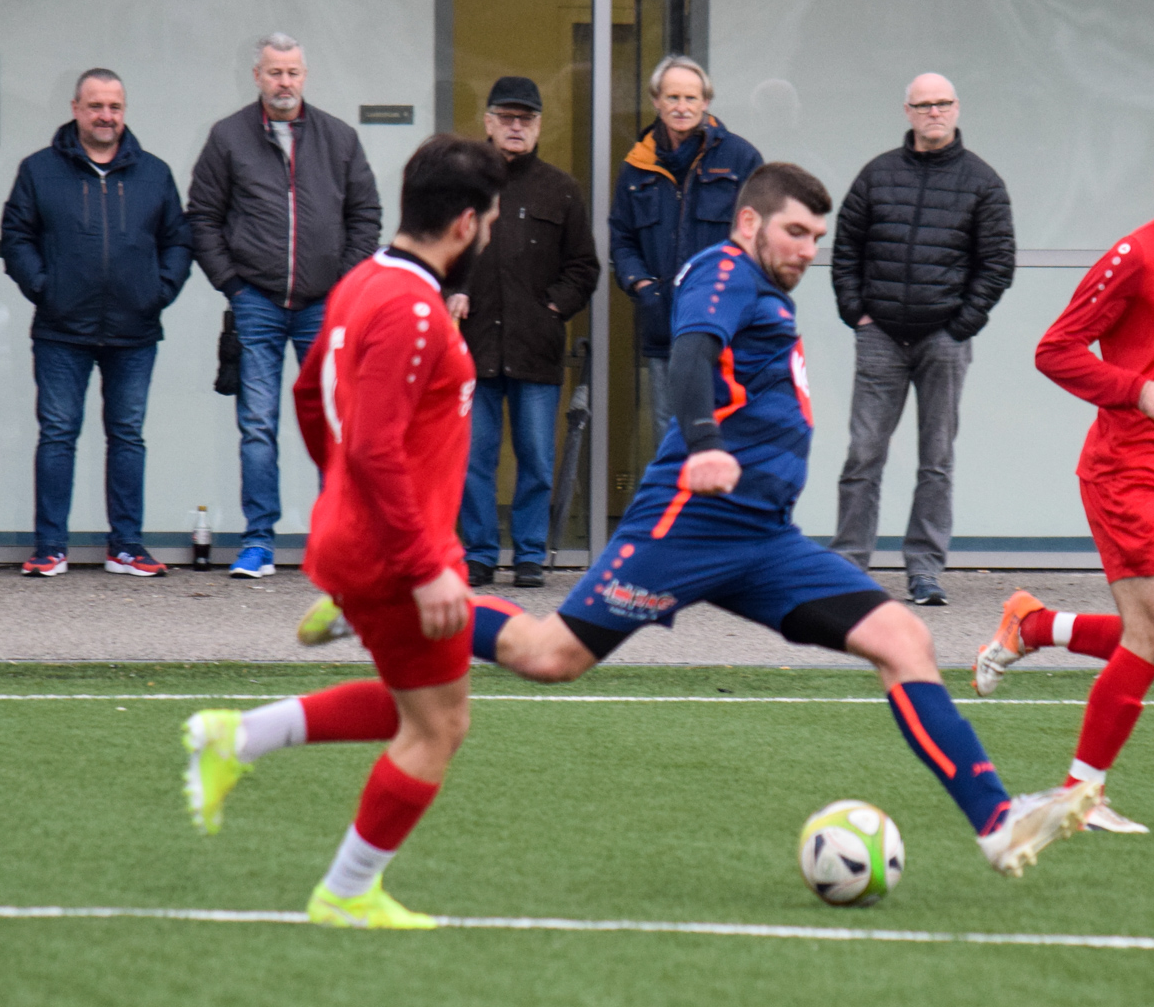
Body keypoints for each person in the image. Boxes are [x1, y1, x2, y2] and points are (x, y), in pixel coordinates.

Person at [469, 162, 1099, 878]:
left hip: (764, 539)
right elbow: (692, 349)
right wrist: (703, 444)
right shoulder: (724, 269)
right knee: (549, 657)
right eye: (795, 231)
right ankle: (417, 607)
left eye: (817, 237)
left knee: (902, 638)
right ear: (749, 223)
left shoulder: (764, 290)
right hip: (688, 526)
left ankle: (996, 822)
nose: (808, 249)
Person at [183, 134, 505, 929]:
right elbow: (373, 445)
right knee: (441, 725)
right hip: (397, 551)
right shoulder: (414, 307)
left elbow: (307, 397)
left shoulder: (363, 281)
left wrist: (345, 505)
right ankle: (347, 891)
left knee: (416, 708)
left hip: (368, 537)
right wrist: (422, 564)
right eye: (492, 222)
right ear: (465, 224)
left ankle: (239, 738)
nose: (490, 236)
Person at [973, 113, 1154, 835]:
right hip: (1124, 470)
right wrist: (1137, 391)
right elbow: (1055, 350)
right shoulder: (1134, 256)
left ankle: (1036, 625)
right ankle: (1081, 794)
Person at [188, 32, 382, 579]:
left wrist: (343, 287)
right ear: (257, 76)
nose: (284, 82)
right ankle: (258, 543)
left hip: (325, 306)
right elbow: (202, 216)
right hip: (257, 303)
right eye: (274, 72)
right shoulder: (228, 137)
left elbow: (365, 216)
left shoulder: (339, 138)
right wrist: (233, 284)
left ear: (305, 76)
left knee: (331, 425)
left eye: (293, 72)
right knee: (257, 424)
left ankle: (335, 543)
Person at [829, 73, 1016, 606]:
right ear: (907, 111)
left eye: (942, 103)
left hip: (943, 340)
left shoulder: (982, 182)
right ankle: (848, 568)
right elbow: (847, 249)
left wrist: (960, 325)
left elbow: (997, 263)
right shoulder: (877, 175)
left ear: (957, 108)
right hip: (881, 338)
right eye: (923, 104)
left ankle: (925, 571)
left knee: (936, 460)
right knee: (863, 454)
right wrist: (857, 313)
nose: (934, 112)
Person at [1, 68, 193, 579]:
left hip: (135, 329)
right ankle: (50, 548)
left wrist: (158, 292)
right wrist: (45, 287)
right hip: (61, 329)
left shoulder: (154, 173)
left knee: (127, 436)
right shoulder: (39, 170)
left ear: (123, 111)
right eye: (96, 106)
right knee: (58, 434)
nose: (106, 116)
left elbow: (179, 240)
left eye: (115, 107)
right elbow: (16, 236)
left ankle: (126, 547)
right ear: (75, 109)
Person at [444, 76, 599, 589]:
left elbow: (584, 266)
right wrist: (453, 290)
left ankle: (530, 555)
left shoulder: (561, 188)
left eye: (526, 119)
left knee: (536, 458)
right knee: (475, 458)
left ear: (539, 126)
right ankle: (480, 555)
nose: (516, 127)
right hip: (473, 345)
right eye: (507, 117)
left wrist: (553, 307)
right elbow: (437, 251)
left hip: (536, 345)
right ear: (487, 122)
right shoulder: (461, 185)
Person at [609, 55, 762, 450]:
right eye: (673, 97)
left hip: (725, 326)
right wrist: (642, 286)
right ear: (656, 101)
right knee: (671, 435)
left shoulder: (740, 159)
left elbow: (759, 237)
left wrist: (733, 292)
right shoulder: (636, 166)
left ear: (706, 102)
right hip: (664, 323)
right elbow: (621, 237)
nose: (682, 107)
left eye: (691, 98)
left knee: (730, 430)